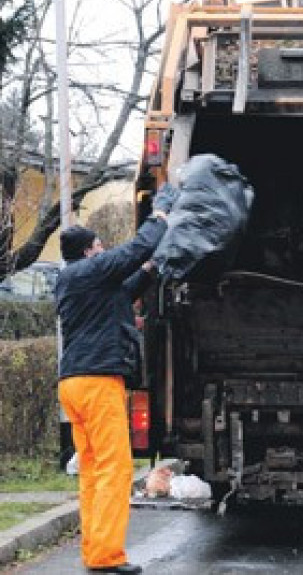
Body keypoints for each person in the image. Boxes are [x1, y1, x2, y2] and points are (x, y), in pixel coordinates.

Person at [56, 183, 178, 574]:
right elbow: (134, 250)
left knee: (93, 469)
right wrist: (160, 216)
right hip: (97, 382)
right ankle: (107, 557)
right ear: (90, 250)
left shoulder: (79, 282)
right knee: (115, 467)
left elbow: (126, 288)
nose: (104, 250)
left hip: (75, 382)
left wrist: (152, 268)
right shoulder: (89, 271)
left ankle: (96, 552)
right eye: (100, 246)